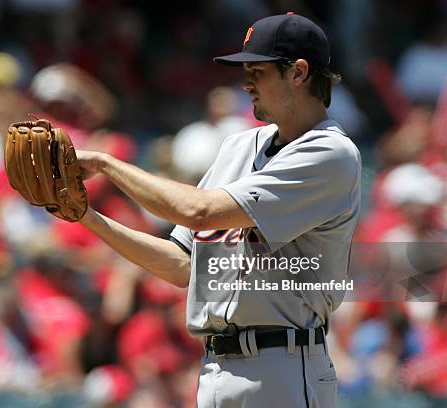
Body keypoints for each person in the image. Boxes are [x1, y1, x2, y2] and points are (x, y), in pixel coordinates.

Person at [75, 13, 361, 407]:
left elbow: (198, 210)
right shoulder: (238, 148)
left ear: (298, 73)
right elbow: (181, 264)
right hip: (214, 368)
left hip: (285, 367)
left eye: (258, 72)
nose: (246, 84)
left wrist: (107, 165)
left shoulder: (330, 153)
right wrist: (86, 216)